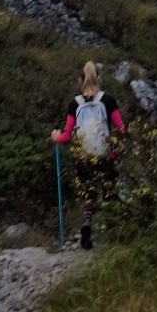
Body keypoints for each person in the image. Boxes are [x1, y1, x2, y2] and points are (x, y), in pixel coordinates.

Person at [50, 61, 125, 250]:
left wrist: (56, 136)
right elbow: (120, 128)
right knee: (109, 192)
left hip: (83, 157)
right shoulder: (108, 100)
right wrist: (115, 146)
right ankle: (113, 235)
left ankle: (86, 224)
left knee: (88, 193)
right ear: (99, 79)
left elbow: (67, 136)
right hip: (106, 155)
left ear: (80, 81)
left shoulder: (74, 104)